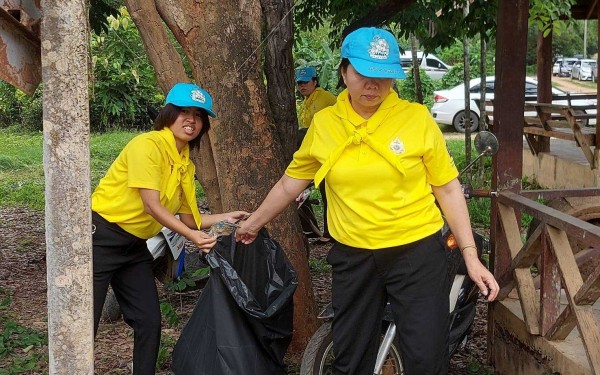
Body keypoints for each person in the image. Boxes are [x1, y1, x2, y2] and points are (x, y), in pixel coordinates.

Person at [236, 27, 499, 375]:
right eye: (363, 74)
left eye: (383, 76)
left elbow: (447, 188)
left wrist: (470, 256)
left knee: (425, 357)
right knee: (350, 357)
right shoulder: (325, 123)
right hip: (354, 255)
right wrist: (253, 223)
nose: (373, 85)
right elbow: (289, 183)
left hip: (416, 252)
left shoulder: (415, 119)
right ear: (344, 71)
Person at [91, 82, 248, 375]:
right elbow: (152, 205)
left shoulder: (184, 161)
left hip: (134, 246)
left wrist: (226, 217)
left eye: (199, 116)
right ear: (168, 114)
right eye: (184, 112)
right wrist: (192, 237)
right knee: (84, 322)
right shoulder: (147, 146)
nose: (191, 120)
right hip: (101, 238)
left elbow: (188, 217)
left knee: (148, 321)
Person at [295, 66, 336, 241]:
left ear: (315, 81)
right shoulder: (307, 101)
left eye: (306, 82)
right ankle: (313, 229)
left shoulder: (324, 98)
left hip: (328, 151)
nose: (302, 86)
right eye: (299, 83)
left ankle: (331, 232)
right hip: (313, 154)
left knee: (329, 191)